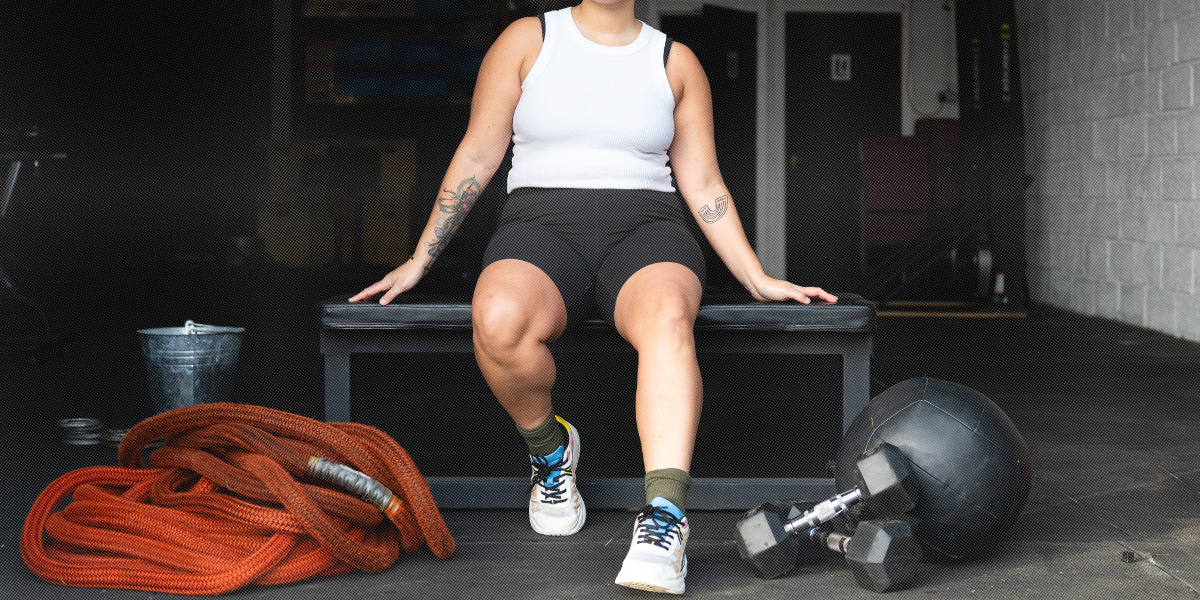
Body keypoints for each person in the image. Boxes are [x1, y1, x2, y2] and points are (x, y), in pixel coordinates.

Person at [350, 0, 837, 593]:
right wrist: (421, 257)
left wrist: (756, 275)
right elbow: (479, 152)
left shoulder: (674, 61)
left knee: (667, 316)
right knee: (499, 319)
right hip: (540, 226)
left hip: (648, 229)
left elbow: (703, 181)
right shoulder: (528, 40)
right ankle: (551, 451)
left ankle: (664, 518)